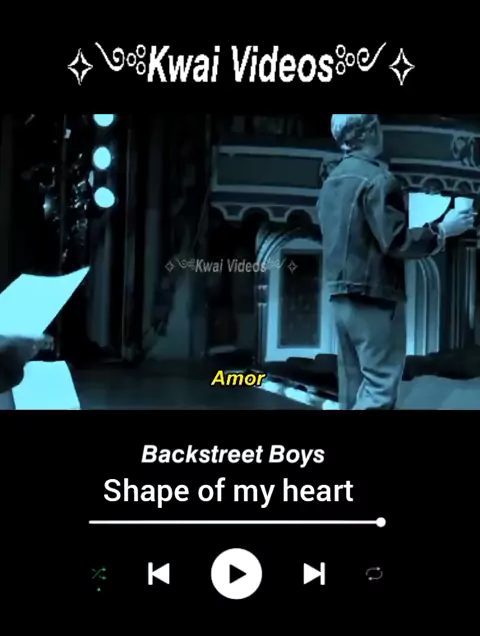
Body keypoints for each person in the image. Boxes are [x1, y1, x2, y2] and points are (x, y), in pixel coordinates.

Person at [318, 114, 476, 410]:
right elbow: (396, 241)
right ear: (369, 131)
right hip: (374, 297)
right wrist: (443, 229)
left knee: (352, 389)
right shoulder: (379, 180)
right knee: (379, 390)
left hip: (339, 297)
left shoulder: (331, 182)